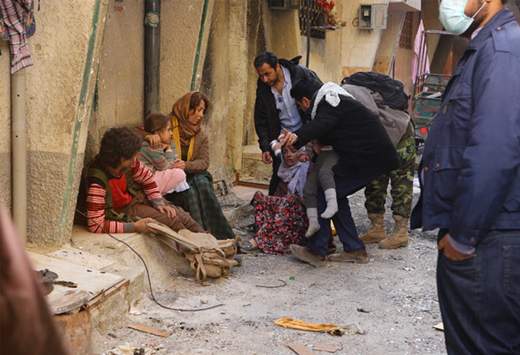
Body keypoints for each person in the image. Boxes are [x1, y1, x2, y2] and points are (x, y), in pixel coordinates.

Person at [411, 1, 520, 353]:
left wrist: (463, 236)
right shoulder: (489, 45)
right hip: (489, 235)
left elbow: (495, 148)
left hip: (490, 240)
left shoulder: (502, 49)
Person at [283, 78, 399, 266]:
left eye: (300, 105)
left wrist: (297, 139)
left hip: (369, 157)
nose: (302, 110)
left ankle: (317, 251)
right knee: (334, 194)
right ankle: (354, 249)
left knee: (324, 192)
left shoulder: (329, 101)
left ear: (305, 101)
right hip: (369, 157)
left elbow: (322, 124)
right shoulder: (334, 101)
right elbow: (328, 132)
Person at [146, 92, 234, 240]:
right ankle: (201, 236)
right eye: (197, 110)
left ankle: (222, 237)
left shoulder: (200, 135)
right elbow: (143, 130)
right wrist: (148, 136)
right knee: (190, 193)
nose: (200, 115)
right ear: (187, 109)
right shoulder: (167, 125)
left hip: (190, 173)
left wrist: (185, 165)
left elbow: (204, 162)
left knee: (202, 184)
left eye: (202, 111)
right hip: (172, 180)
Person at [339, 82, 416, 249]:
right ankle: (377, 228)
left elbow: (371, 115)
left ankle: (401, 232)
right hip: (380, 139)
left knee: (401, 182)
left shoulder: (347, 94)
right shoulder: (339, 98)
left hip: (399, 132)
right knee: (375, 180)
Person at [86, 127, 204, 234]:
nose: (135, 160)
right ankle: (197, 251)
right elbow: (96, 225)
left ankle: (211, 245)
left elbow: (147, 178)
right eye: (132, 157)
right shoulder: (97, 183)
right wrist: (134, 227)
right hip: (124, 210)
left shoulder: (131, 163)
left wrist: (158, 203)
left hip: (136, 198)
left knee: (183, 216)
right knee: (171, 219)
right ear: (121, 159)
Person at [253, 51, 322, 195]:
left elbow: (320, 101)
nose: (264, 79)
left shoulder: (300, 75)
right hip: (283, 142)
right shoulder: (263, 89)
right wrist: (265, 147)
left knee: (312, 182)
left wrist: (318, 137)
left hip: (308, 136)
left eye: (267, 74)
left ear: (277, 66)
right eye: (261, 75)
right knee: (280, 183)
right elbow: (261, 120)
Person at [139, 112, 190, 195]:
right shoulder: (151, 146)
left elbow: (174, 160)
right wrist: (168, 150)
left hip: (155, 176)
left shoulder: (168, 142)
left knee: (179, 172)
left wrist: (176, 162)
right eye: (168, 130)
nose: (171, 133)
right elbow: (165, 167)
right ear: (157, 133)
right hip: (146, 183)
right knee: (179, 174)